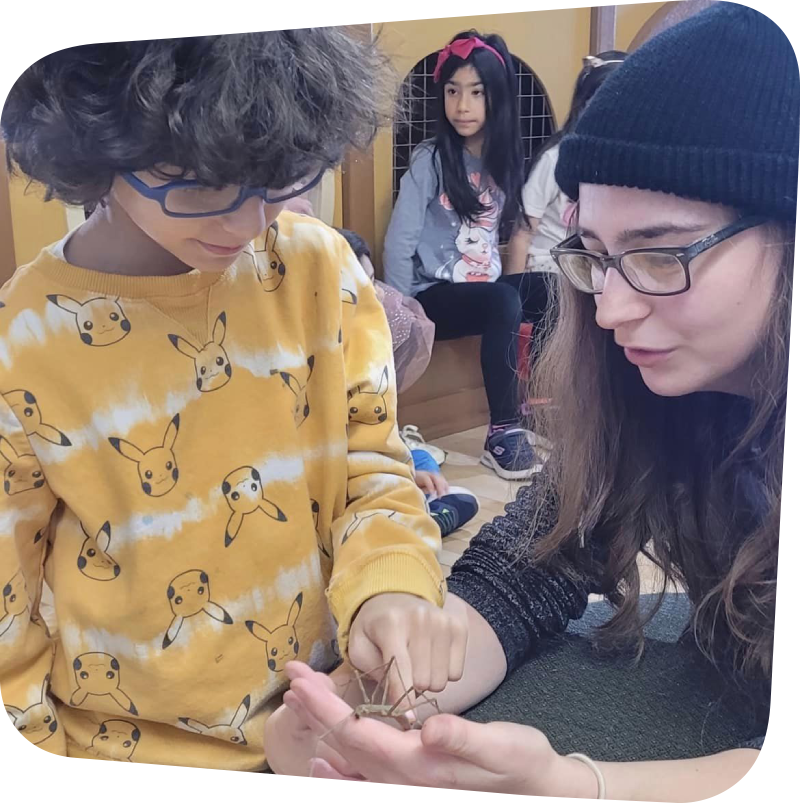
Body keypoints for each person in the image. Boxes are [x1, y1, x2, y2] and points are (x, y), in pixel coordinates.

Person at [282, 4, 791, 796]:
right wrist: (383, 698)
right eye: (595, 256)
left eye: (659, 255)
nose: (612, 308)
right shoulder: (652, 392)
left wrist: (570, 784)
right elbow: (524, 571)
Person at [0, 33, 467, 769]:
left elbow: (373, 473)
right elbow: (9, 620)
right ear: (93, 146)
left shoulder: (320, 268)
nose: (248, 223)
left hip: (323, 721)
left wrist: (391, 588)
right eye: (198, 185)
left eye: (281, 180)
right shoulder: (22, 339)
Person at [383, 31, 544, 481]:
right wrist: (401, 316)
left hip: (485, 289)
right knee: (502, 302)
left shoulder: (504, 159)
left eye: (476, 93)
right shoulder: (430, 160)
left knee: (550, 290)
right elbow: (399, 242)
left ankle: (533, 401)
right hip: (434, 294)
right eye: (452, 91)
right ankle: (502, 433)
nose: (463, 105)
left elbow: (502, 236)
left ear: (497, 99)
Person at [336, 228, 480, 538]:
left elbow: (380, 430)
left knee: (422, 459)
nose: (375, 295)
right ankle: (412, 518)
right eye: (360, 286)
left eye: (373, 281)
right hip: (336, 468)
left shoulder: (370, 338)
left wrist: (408, 470)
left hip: (371, 456)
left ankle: (419, 510)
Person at [505, 51, 627, 352]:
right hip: (548, 270)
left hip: (590, 270)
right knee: (566, 299)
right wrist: (511, 291)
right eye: (596, 104)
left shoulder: (624, 164)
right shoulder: (556, 158)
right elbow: (522, 234)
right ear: (582, 106)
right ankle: (541, 392)